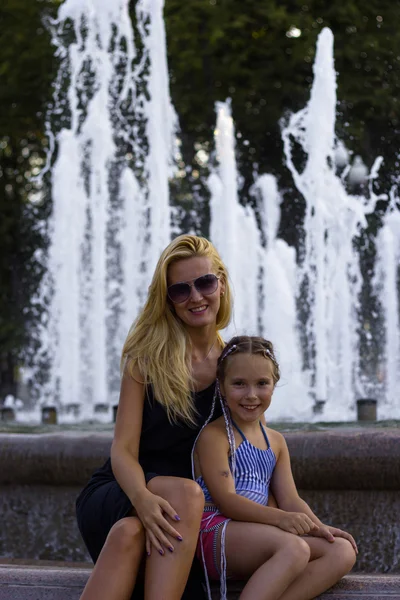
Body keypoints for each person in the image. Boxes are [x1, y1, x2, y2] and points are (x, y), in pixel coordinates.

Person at [76, 234, 232, 600]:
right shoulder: (146, 358)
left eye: (205, 282)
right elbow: (122, 450)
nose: (195, 297)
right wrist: (142, 500)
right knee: (185, 494)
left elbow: (248, 450)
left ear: (221, 284)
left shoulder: (233, 366)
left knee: (130, 534)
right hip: (122, 490)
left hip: (178, 516)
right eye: (180, 290)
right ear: (169, 300)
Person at [193, 336, 358, 600]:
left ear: (274, 384)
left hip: (261, 535)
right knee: (294, 548)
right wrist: (281, 519)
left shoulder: (276, 442)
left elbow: (290, 499)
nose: (251, 395)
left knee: (340, 550)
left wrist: (319, 527)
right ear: (222, 387)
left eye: (262, 384)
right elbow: (227, 501)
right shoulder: (215, 436)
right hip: (216, 531)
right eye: (239, 384)